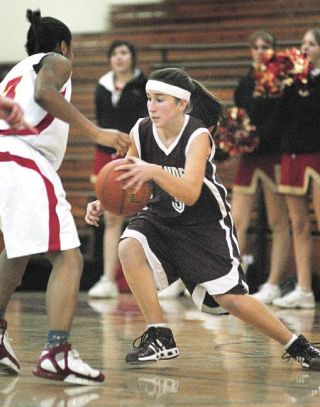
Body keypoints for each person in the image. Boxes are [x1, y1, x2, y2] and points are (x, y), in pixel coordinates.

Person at [85, 67, 320, 370]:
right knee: (128, 245)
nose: (151, 106)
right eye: (148, 99)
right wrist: (103, 201)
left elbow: (191, 192)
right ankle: (160, 335)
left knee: (230, 299)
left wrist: (154, 171)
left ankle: (297, 345)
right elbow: (125, 178)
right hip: (160, 216)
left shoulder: (197, 136)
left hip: (203, 223)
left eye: (160, 100)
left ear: (181, 103)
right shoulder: (140, 131)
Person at [0, 9, 130, 384]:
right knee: (69, 257)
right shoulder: (54, 60)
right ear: (63, 46)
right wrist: (97, 133)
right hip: (24, 159)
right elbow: (45, 92)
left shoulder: (13, 72)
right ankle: (57, 353)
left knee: (17, 251)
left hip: (6, 158)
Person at [232, 31, 290, 304]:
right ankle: (233, 281)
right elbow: (239, 118)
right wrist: (237, 138)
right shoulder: (244, 83)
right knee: (237, 221)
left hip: (272, 157)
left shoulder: (282, 83)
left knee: (279, 222)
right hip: (248, 159)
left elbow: (281, 121)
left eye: (265, 46)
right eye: (255, 47)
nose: (260, 51)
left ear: (274, 50)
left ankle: (274, 284)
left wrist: (258, 137)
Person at [88, 40, 148, 299]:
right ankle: (108, 278)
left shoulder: (143, 85)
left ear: (132, 57)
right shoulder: (102, 86)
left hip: (134, 154)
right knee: (111, 217)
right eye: (114, 54)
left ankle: (150, 277)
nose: (119, 57)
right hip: (105, 156)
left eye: (124, 52)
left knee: (145, 214)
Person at [273, 28, 320, 309]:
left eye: (312, 44)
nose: (305, 48)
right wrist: (285, 86)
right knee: (298, 224)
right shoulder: (290, 81)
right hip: (292, 153)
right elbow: (282, 118)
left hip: (317, 153)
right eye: (303, 44)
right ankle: (304, 289)